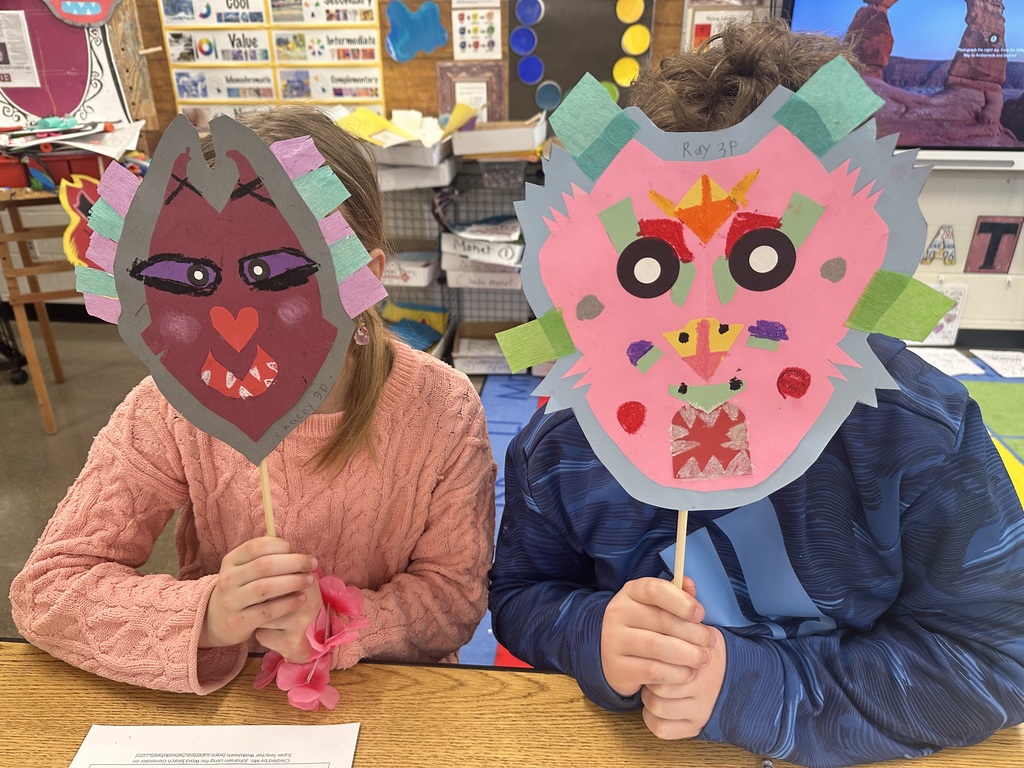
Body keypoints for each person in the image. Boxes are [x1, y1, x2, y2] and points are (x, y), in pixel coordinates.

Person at [488, 20, 1024, 768]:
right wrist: (595, 635)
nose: (705, 330)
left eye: (763, 258)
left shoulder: (921, 433)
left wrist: (748, 687)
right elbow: (520, 595)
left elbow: (995, 659)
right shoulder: (566, 447)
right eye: (656, 266)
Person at [10, 105, 497, 695]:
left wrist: (339, 624)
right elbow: (49, 587)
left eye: (274, 271)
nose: (236, 315)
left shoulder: (441, 408)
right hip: (234, 700)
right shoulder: (169, 407)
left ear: (360, 281)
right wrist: (209, 614)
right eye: (198, 277)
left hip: (396, 697)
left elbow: (455, 599)